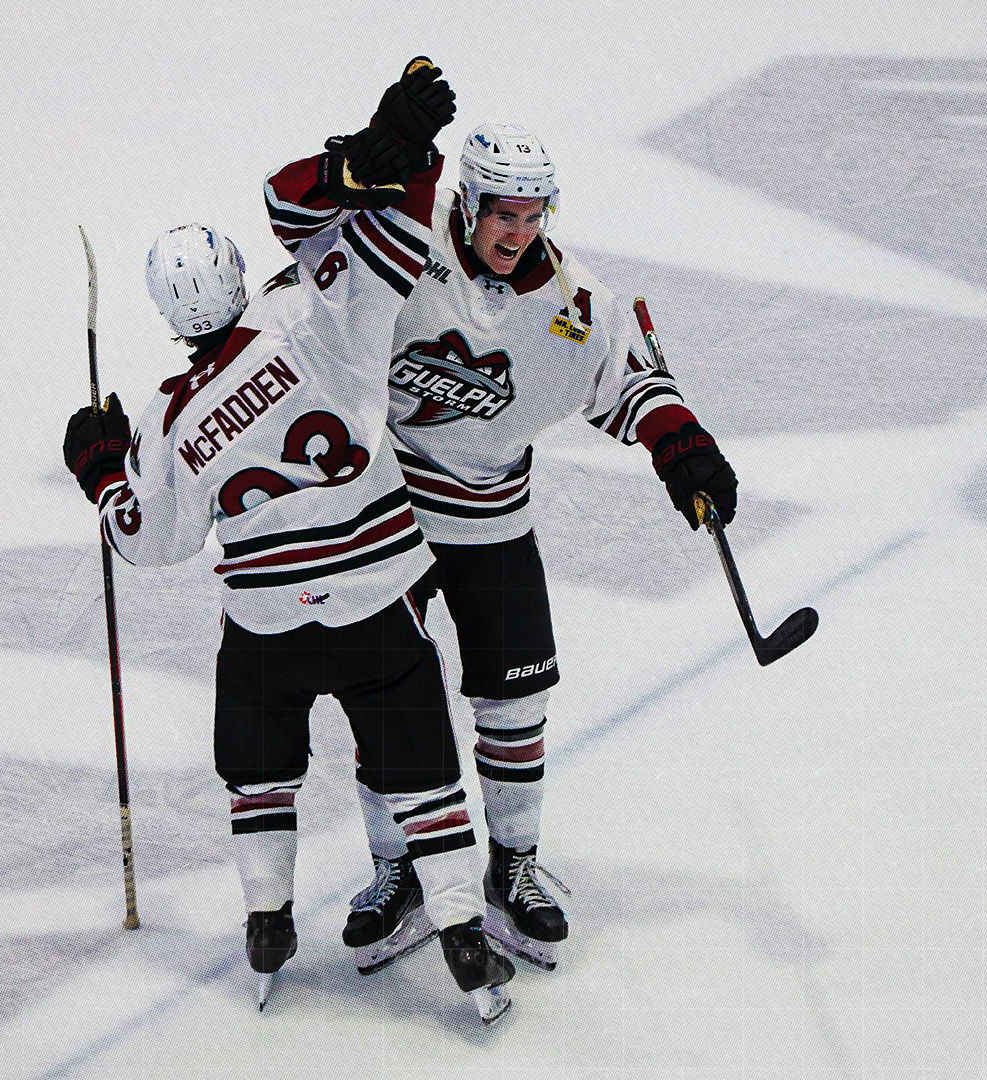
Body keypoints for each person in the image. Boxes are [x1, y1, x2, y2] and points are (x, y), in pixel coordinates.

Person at [60, 58, 515, 1021]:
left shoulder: (167, 417)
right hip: (375, 605)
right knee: (423, 776)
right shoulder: (310, 316)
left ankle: (267, 922)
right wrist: (407, 157)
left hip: (264, 628)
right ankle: (462, 935)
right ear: (236, 273)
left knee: (260, 778)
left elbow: (148, 541)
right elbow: (390, 241)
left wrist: (101, 470)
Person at [328, 123, 739, 973]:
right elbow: (307, 275)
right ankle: (395, 868)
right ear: (468, 203)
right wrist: (354, 161)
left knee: (516, 704)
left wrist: (681, 444)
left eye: (532, 214)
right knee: (384, 701)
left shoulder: (575, 306)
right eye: (502, 214)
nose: (517, 232)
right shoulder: (407, 238)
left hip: (492, 520)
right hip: (388, 514)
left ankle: (511, 866)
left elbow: (636, 381)